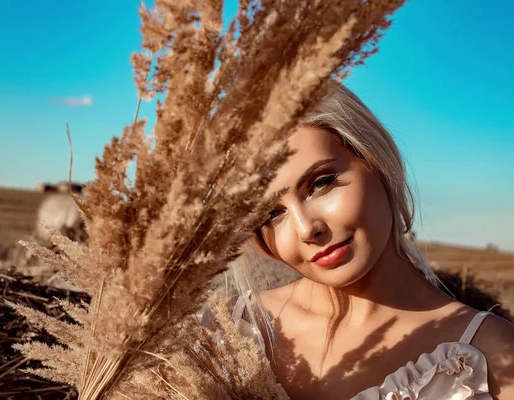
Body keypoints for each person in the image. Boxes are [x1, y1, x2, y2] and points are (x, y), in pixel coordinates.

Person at [219, 84, 514, 399]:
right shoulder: (229, 332)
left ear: (376, 161)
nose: (306, 229)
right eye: (271, 215)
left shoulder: (492, 358)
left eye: (321, 183)